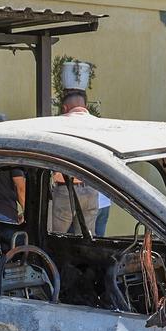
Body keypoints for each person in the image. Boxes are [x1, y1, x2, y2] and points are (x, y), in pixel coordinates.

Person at [49, 90, 108, 236]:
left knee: (57, 237)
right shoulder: (98, 126)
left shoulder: (60, 125)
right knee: (87, 239)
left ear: (64, 108)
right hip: (92, 189)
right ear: (86, 106)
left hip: (65, 188)